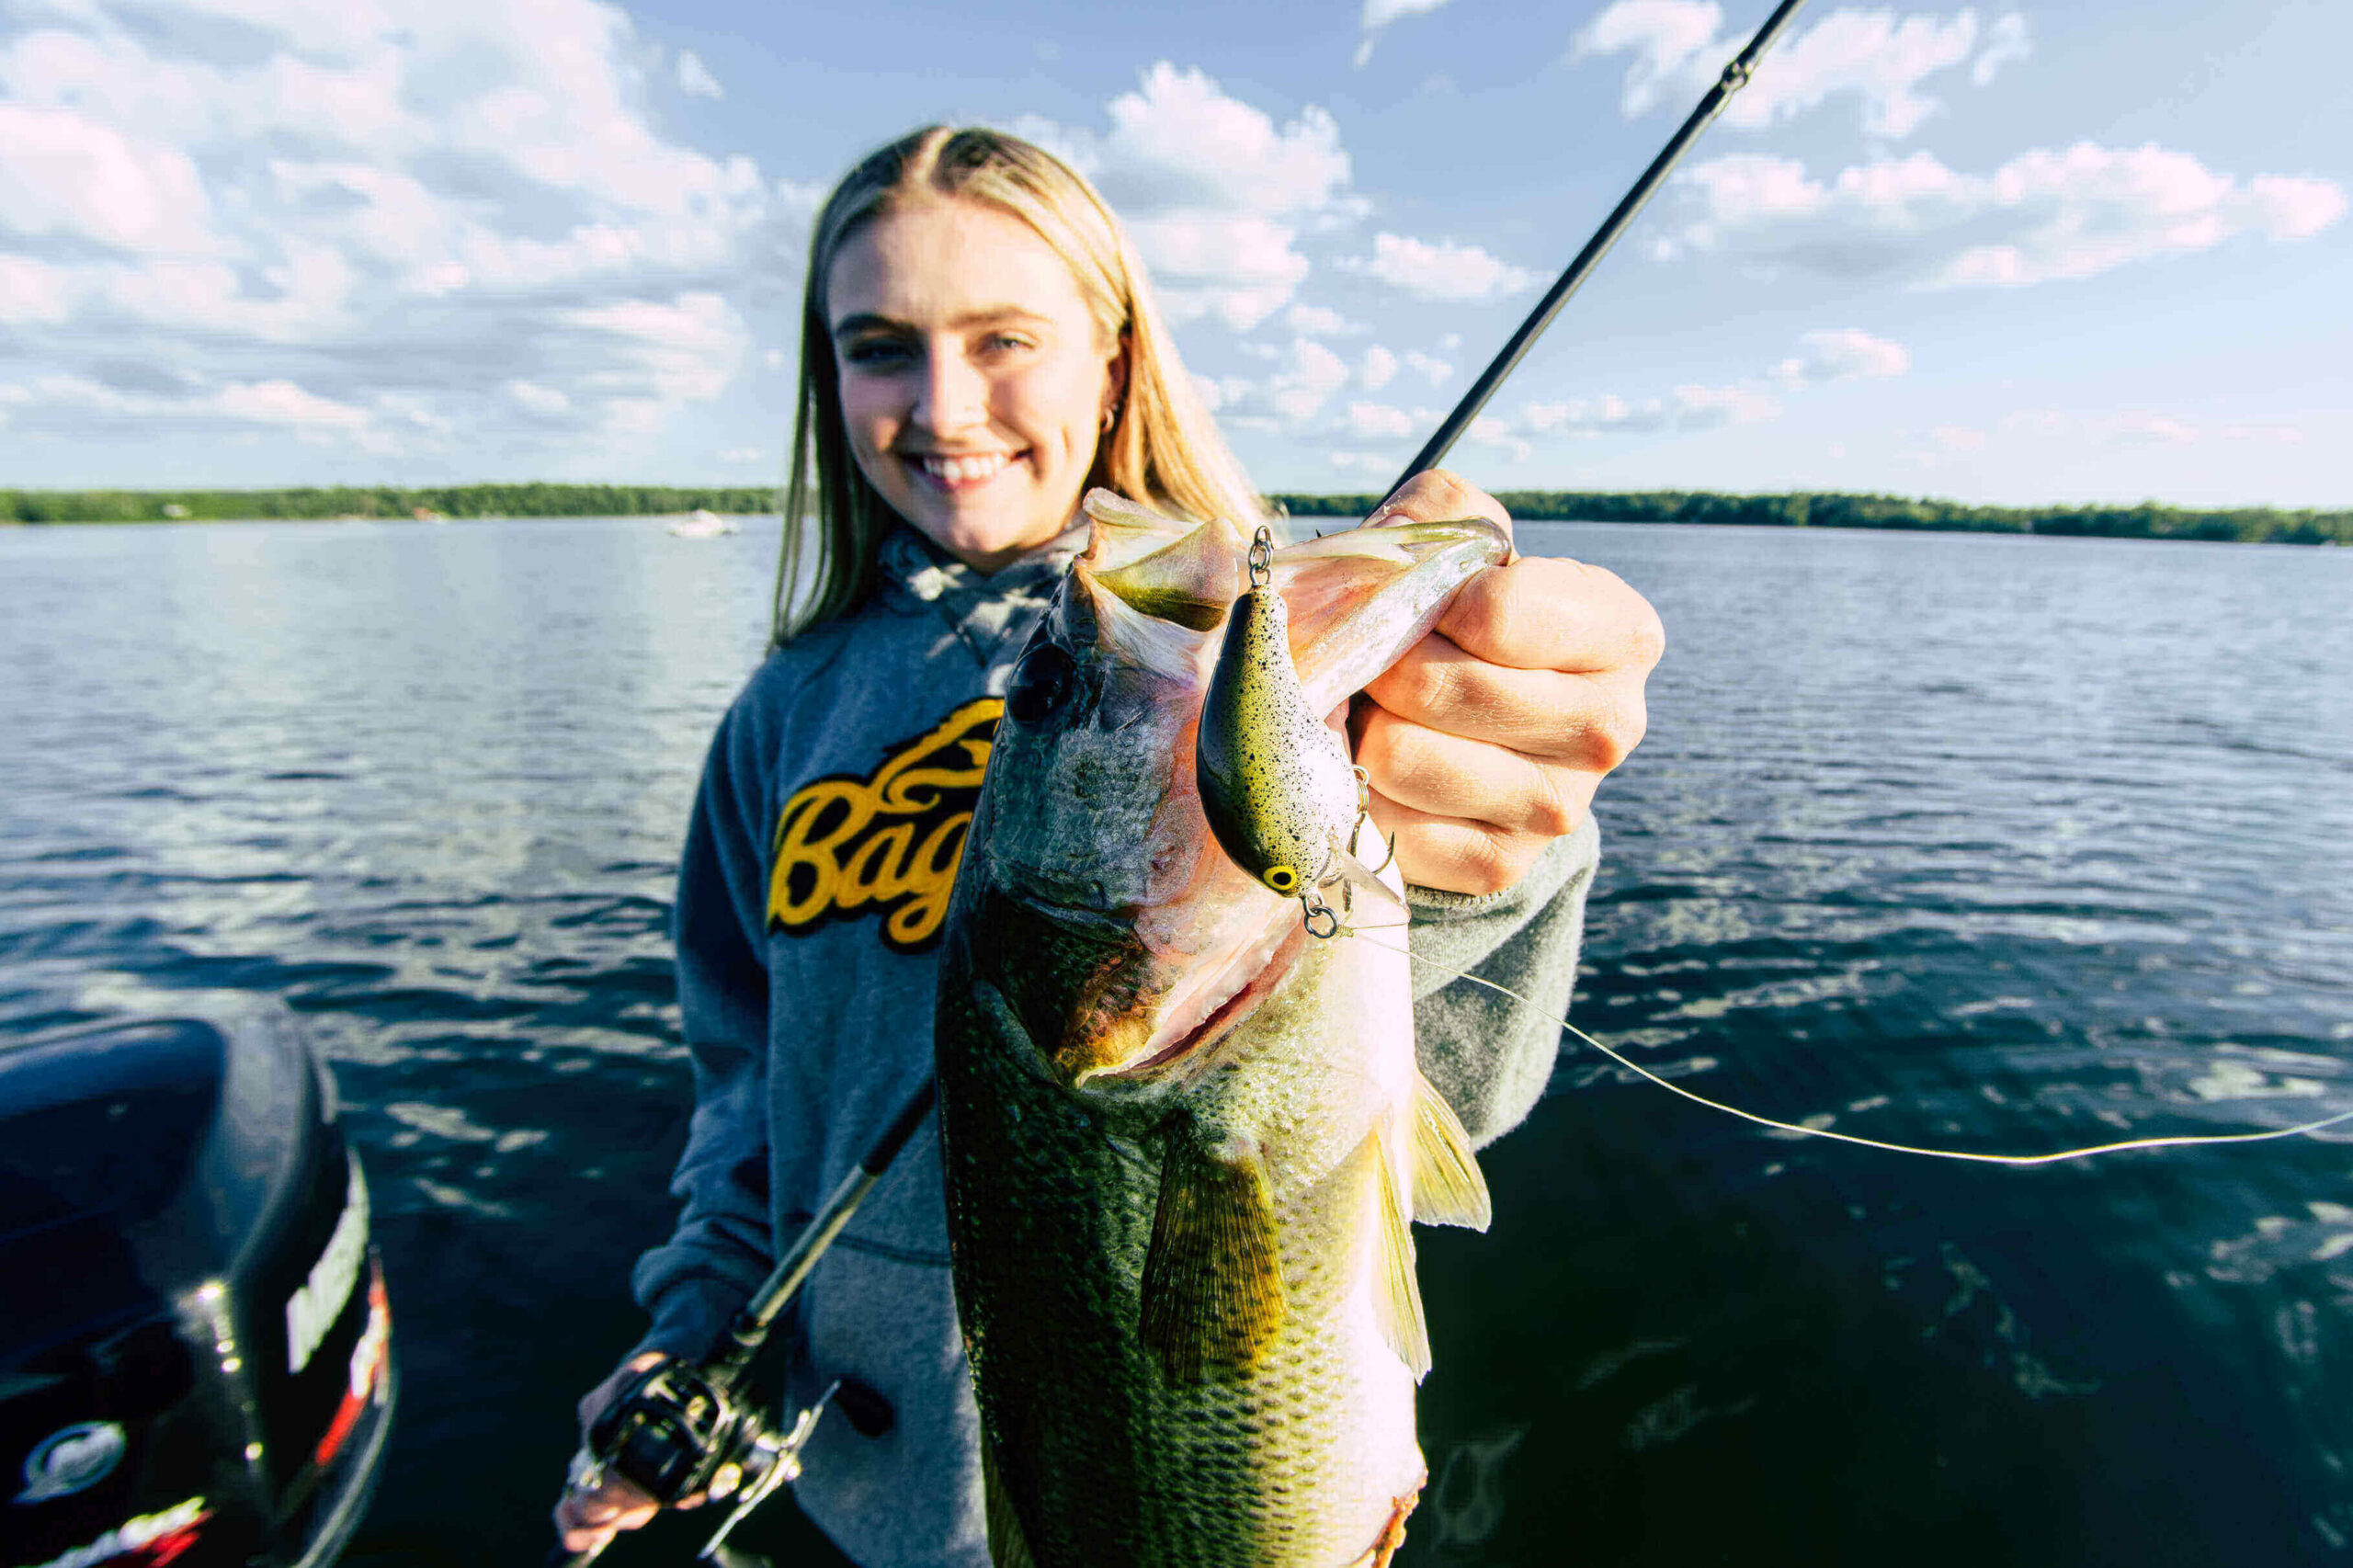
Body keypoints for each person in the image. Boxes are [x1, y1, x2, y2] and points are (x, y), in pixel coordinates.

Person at [554, 124, 1663, 1562]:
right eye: (880, 345)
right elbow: (749, 1083)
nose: (944, 403)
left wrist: (1467, 835)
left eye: (1005, 336)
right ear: (828, 383)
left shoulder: (1248, 651)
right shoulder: (782, 714)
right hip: (856, 1490)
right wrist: (697, 1322)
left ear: (1116, 354)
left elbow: (1454, 1083)